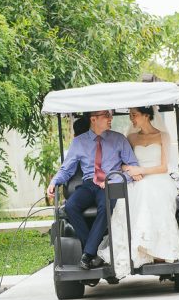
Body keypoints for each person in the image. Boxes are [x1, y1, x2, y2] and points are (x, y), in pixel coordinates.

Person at [48, 110, 141, 270]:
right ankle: (92, 252)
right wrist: (54, 182)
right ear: (93, 119)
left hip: (111, 182)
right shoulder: (79, 142)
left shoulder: (119, 139)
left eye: (110, 115)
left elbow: (133, 167)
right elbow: (67, 169)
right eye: (106, 115)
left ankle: (87, 254)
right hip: (89, 184)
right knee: (70, 206)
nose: (110, 118)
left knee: (105, 206)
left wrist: (116, 180)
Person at [99, 106, 179, 277]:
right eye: (130, 115)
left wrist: (141, 170)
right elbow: (122, 162)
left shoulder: (162, 136)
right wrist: (129, 169)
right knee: (122, 201)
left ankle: (154, 249)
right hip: (137, 179)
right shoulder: (131, 138)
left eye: (134, 115)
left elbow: (163, 167)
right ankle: (137, 248)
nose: (131, 118)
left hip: (158, 178)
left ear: (146, 115)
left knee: (147, 190)